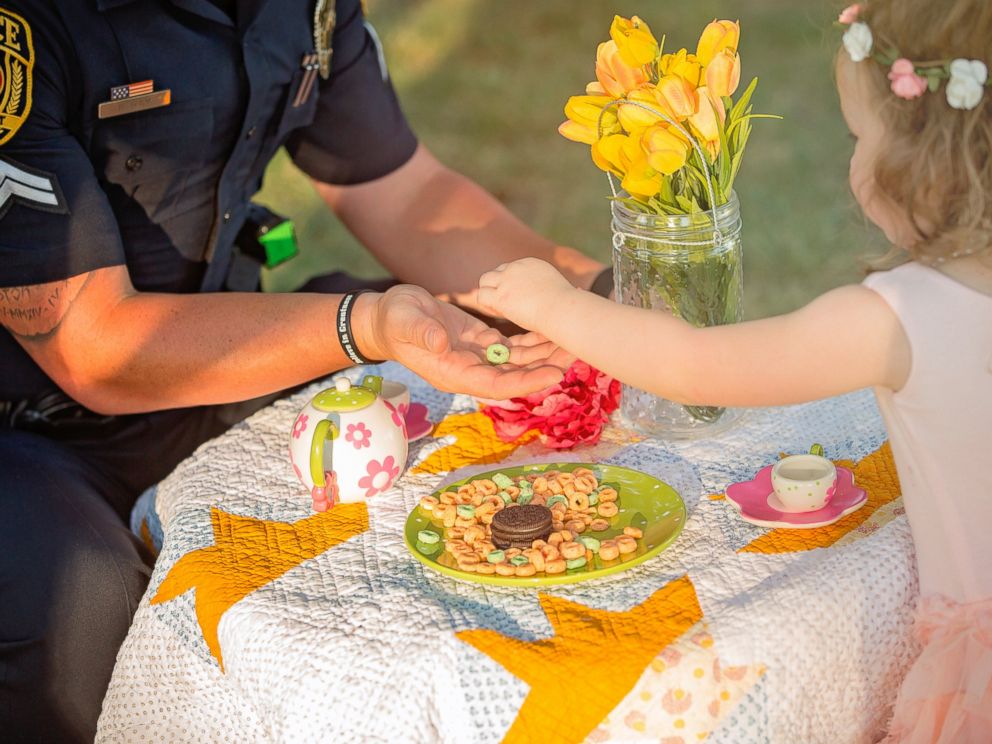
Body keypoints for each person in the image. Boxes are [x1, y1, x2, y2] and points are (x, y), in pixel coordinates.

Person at [0, 0, 605, 740]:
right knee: (80, 607)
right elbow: (96, 350)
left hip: (218, 366)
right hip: (31, 429)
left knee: (467, 420)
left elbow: (402, 191)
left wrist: (598, 297)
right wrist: (364, 325)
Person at [478, 0, 992, 740]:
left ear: (919, 161)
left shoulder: (895, 319)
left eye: (859, 135)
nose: (853, 159)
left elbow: (696, 365)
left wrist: (554, 304)